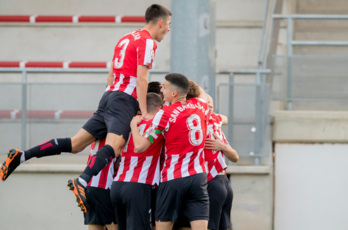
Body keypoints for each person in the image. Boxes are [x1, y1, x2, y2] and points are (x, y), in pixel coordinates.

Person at [0, 4, 172, 213]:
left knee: (75, 144)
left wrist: (110, 102)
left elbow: (110, 76)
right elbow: (142, 79)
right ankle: (81, 182)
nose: (168, 29)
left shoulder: (125, 38)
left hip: (108, 96)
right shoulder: (148, 42)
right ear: (160, 22)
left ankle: (21, 155)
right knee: (115, 146)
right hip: (124, 100)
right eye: (169, 25)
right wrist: (143, 112)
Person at [130, 73, 210, 230]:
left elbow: (140, 147)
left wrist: (134, 125)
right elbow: (202, 93)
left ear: (174, 93)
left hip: (174, 179)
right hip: (198, 177)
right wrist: (184, 84)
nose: (161, 88)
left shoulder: (164, 114)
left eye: (164, 87)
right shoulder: (200, 105)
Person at [111, 92, 164, 230]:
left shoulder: (127, 125)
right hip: (138, 185)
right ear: (159, 109)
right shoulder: (157, 126)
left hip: (117, 185)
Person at [82, 139, 118, 230]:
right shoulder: (113, 132)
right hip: (102, 185)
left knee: (96, 225)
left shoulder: (96, 131)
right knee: (115, 227)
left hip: (89, 185)